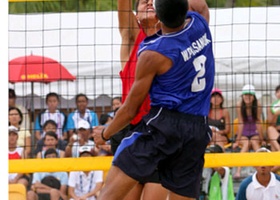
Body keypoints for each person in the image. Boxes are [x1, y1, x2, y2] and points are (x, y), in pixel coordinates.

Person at [93, 0, 215, 199]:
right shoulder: (197, 24)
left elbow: (130, 108)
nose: (148, 2)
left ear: (159, 14)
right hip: (184, 127)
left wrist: (105, 134)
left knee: (110, 195)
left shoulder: (152, 54)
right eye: (143, 2)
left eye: (152, 1)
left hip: (158, 128)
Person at [233, 84, 264, 179]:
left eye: (250, 95)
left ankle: (259, 169)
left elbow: (258, 122)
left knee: (255, 143)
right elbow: (241, 123)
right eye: (245, 95)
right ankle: (238, 171)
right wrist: (237, 141)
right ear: (242, 96)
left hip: (254, 132)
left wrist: (262, 139)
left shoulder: (258, 105)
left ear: (253, 97)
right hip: (244, 133)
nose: (247, 97)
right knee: (246, 144)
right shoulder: (239, 105)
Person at [267, 84, 280, 152]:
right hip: (277, 133)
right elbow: (271, 124)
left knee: (273, 145)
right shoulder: (271, 107)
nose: (279, 93)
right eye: (277, 92)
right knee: (270, 129)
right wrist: (276, 115)